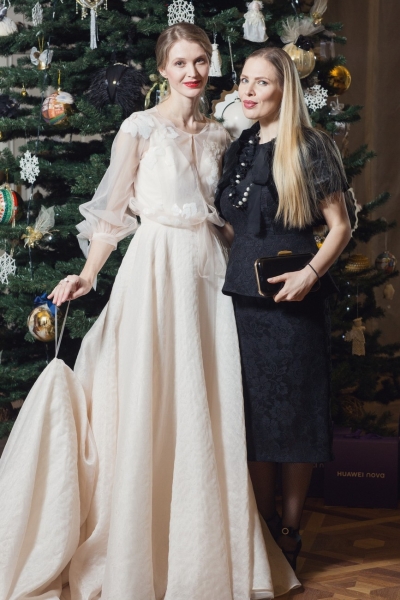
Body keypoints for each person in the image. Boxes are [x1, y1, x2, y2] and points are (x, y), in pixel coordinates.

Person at [0, 26, 300, 600]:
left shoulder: (222, 134)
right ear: (163, 68)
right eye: (181, 62)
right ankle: (138, 544)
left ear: (211, 64)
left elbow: (232, 215)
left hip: (210, 274)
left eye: (201, 61)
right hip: (156, 269)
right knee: (153, 394)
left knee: (207, 397)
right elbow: (112, 213)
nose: (193, 72)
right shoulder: (138, 128)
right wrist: (89, 274)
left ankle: (204, 549)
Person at [215, 47, 354, 571]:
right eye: (244, 81)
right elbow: (234, 228)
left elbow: (341, 227)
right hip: (243, 304)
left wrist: (310, 274)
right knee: (253, 418)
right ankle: (265, 525)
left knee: (294, 416)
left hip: (295, 302)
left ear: (284, 90)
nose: (248, 91)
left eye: (262, 83)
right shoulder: (238, 148)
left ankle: (291, 530)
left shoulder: (311, 146)